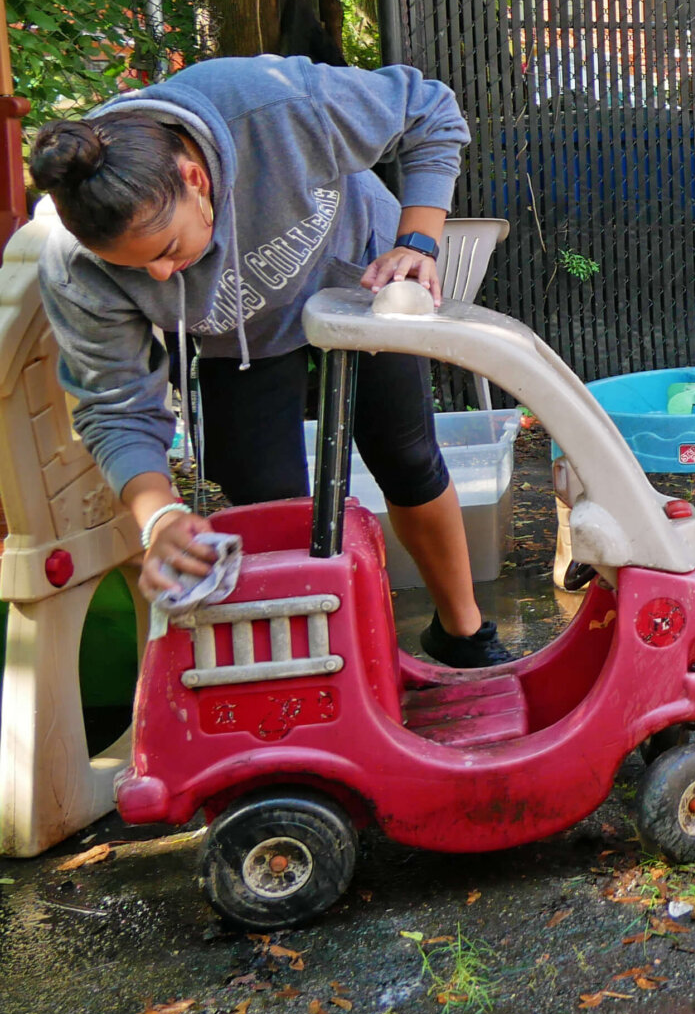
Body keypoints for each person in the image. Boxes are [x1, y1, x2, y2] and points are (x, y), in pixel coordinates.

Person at [27, 57, 502, 666]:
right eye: (133, 268)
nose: (160, 276)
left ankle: (462, 635)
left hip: (357, 279)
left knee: (407, 457)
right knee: (266, 503)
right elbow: (115, 405)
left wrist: (417, 240)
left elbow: (430, 109)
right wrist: (159, 514)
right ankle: (330, 667)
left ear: (195, 178)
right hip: (238, 338)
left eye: (167, 250)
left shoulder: (276, 108)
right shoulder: (74, 264)